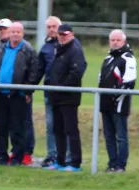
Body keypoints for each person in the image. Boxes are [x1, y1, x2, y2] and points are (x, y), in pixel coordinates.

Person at [0, 22, 38, 166]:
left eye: (18, 32)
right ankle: (2, 156)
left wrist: (26, 91)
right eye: (13, 31)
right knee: (1, 127)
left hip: (18, 95)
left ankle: (17, 157)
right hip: (0, 95)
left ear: (23, 34)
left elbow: (33, 73)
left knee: (17, 128)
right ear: (9, 33)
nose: (15, 34)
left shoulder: (28, 50)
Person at [45, 23, 86, 172]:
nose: (62, 37)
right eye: (60, 34)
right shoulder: (58, 49)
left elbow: (76, 73)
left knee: (71, 129)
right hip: (55, 97)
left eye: (65, 34)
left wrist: (61, 87)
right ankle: (60, 160)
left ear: (72, 35)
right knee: (58, 129)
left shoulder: (75, 50)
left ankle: (75, 162)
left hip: (69, 98)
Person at [98, 29, 136, 173]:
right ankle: (112, 163)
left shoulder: (128, 58)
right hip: (105, 103)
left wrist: (115, 97)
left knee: (121, 136)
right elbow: (100, 80)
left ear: (124, 42)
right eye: (112, 40)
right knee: (108, 136)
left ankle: (121, 165)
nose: (115, 42)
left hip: (119, 104)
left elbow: (129, 81)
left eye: (118, 40)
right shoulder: (107, 59)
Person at [37, 16, 70, 168]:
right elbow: (39, 70)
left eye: (54, 26)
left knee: (65, 124)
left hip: (64, 93)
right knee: (51, 125)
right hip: (49, 93)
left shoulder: (68, 45)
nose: (51, 29)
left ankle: (67, 155)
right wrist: (28, 88)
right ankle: (52, 155)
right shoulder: (45, 48)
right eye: (49, 26)